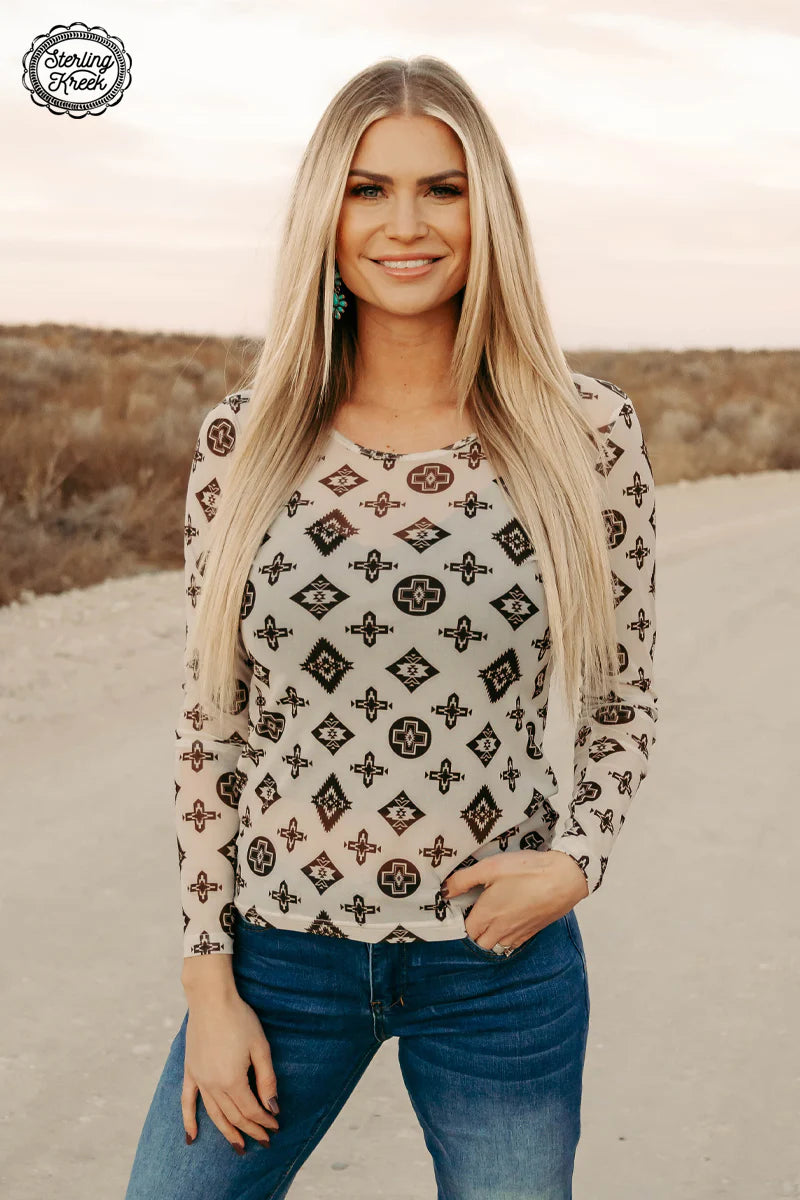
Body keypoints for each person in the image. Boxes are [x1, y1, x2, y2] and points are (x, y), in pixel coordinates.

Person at [125, 54, 658, 1200]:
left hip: (495, 966)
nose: (403, 224)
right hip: (278, 960)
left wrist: (576, 862)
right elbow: (212, 726)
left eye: (440, 190)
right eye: (367, 189)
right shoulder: (244, 440)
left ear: (486, 213)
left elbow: (621, 698)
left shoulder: (584, 432)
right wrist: (209, 982)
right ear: (325, 215)